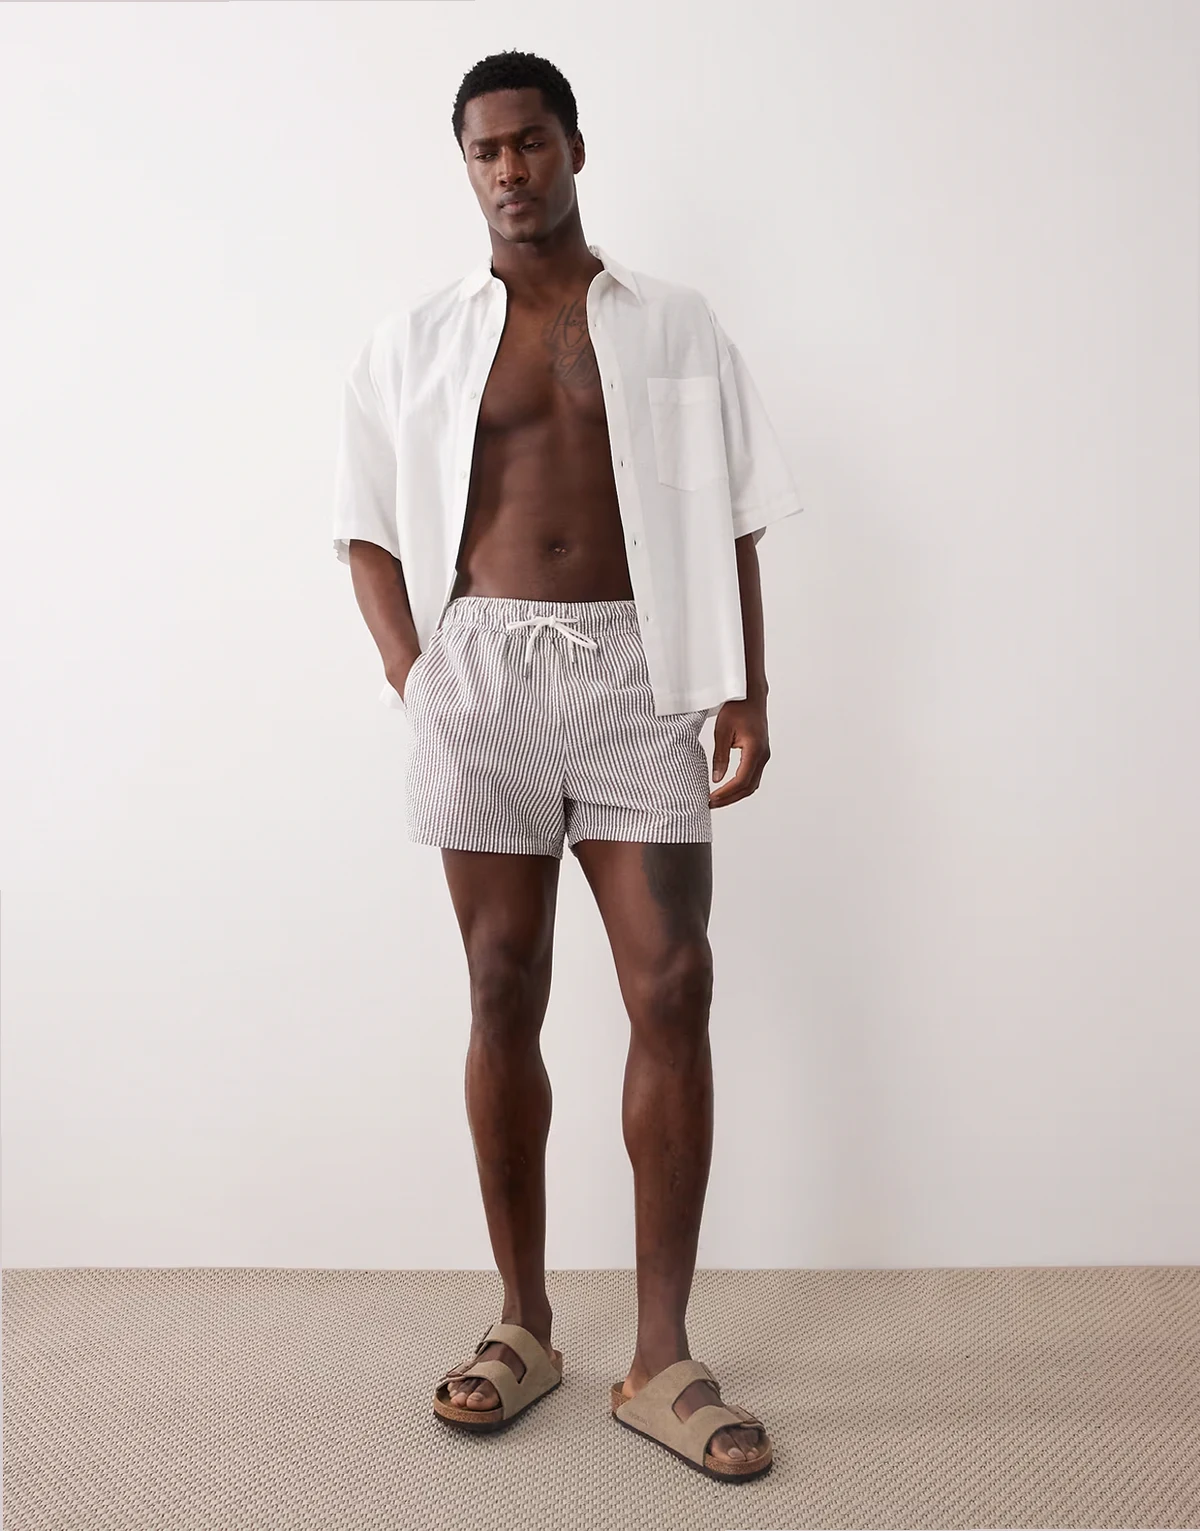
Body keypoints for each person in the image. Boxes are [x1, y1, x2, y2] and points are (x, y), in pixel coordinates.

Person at [332, 49, 802, 1483]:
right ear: (466, 167)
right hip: (479, 671)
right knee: (500, 985)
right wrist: (419, 677)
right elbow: (364, 526)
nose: (509, 170)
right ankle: (524, 1323)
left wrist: (745, 684)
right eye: (484, 151)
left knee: (675, 983)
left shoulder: (674, 324)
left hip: (639, 668)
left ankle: (662, 1355)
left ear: (574, 147)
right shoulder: (415, 339)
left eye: (529, 142)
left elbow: (735, 515)